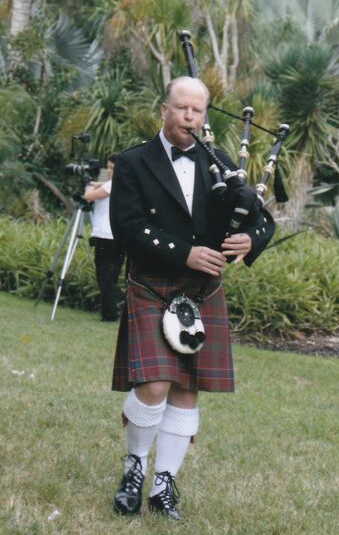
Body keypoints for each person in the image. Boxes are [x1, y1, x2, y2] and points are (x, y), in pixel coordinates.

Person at [109, 76, 274, 520]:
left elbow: (263, 220)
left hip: (202, 292)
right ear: (163, 110)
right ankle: (134, 468)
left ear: (205, 116)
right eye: (180, 108)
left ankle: (164, 485)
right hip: (152, 284)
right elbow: (126, 226)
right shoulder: (133, 162)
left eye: (196, 111)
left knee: (186, 390)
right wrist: (185, 253)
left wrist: (249, 241)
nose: (188, 117)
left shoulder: (219, 163)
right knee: (154, 384)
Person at [83, 154, 125, 322]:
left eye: (112, 168)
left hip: (104, 236)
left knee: (104, 277)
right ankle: (109, 310)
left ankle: (109, 314)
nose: (109, 171)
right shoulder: (124, 184)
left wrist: (86, 186)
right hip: (120, 238)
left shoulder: (111, 185)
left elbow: (89, 197)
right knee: (112, 277)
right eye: (108, 167)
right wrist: (94, 183)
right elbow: (103, 185)